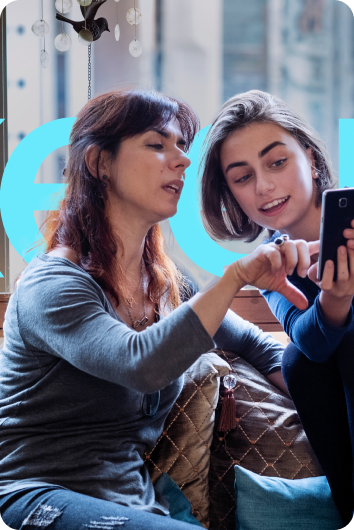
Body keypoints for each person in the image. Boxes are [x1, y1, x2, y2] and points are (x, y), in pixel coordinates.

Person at [0, 88, 313, 530]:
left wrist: (334, 411)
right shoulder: (52, 286)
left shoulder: (166, 285)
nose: (182, 160)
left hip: (133, 504)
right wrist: (235, 278)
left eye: (182, 147)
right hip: (33, 496)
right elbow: (141, 364)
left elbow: (261, 350)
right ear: (99, 163)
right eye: (157, 144)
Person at [200, 89, 354, 529]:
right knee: (301, 360)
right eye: (242, 177)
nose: (264, 186)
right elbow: (308, 342)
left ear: (311, 157)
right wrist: (336, 299)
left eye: (277, 162)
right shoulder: (274, 261)